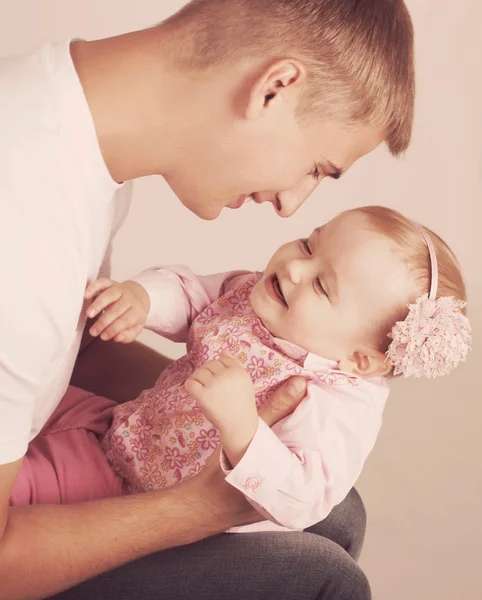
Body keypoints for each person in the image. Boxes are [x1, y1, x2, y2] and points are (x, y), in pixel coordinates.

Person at [0, 1, 415, 598]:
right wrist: (203, 507)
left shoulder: (76, 146)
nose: (292, 204)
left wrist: (219, 410)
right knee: (324, 580)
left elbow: (76, 343)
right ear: (274, 88)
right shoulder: (27, 229)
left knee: (333, 509)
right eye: (317, 168)